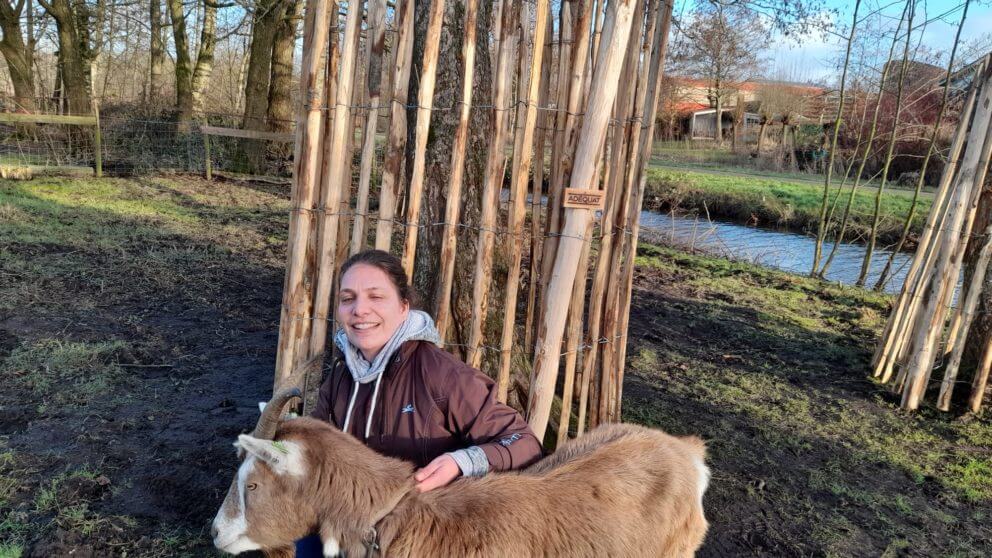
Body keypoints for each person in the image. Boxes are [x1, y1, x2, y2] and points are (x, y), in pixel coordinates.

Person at [295, 249, 543, 556]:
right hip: (358, 528)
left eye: (376, 297)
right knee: (302, 545)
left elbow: (524, 442)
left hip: (431, 535)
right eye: (348, 298)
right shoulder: (340, 378)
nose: (360, 309)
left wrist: (460, 462)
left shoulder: (443, 376)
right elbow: (318, 451)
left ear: (403, 307)